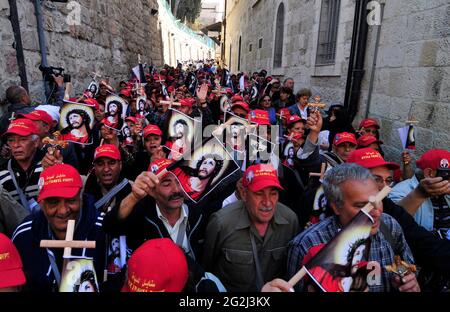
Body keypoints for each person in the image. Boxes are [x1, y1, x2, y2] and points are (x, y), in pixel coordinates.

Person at [287, 163, 420, 292]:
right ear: (336, 207)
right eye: (362, 205)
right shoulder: (306, 246)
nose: (376, 212)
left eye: (378, 200)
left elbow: (404, 266)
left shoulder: (390, 226)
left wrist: (406, 283)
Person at [203, 164, 299, 291]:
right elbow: (207, 269)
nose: (268, 202)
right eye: (259, 193)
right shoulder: (221, 223)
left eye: (273, 193)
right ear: (244, 194)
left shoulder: (290, 221)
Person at [12, 164, 106, 292]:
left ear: (81, 198)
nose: (63, 211)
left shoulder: (103, 231)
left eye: (71, 200)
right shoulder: (24, 236)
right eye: (53, 202)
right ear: (41, 203)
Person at [103, 159, 206, 260]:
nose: (176, 190)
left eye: (179, 181)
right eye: (166, 184)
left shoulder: (198, 213)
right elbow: (108, 225)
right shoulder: (141, 216)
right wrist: (134, 196)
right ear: (152, 191)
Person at [389, 149, 450, 238]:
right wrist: (419, 195)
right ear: (429, 173)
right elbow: (393, 226)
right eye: (448, 175)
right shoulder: (400, 192)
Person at [0, 119, 43, 213]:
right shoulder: (2, 173)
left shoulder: (49, 165)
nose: (15, 145)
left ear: (35, 142)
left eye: (23, 139)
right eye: (11, 140)